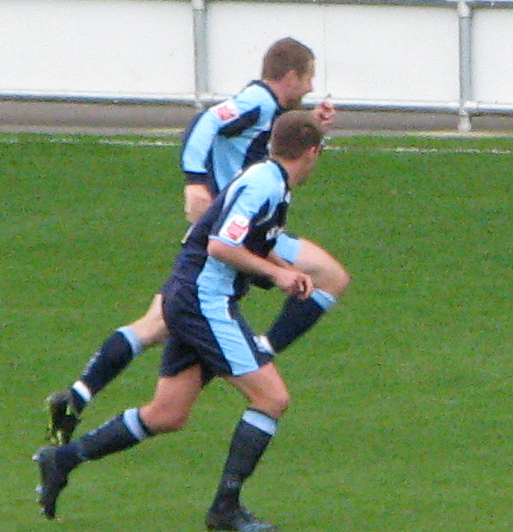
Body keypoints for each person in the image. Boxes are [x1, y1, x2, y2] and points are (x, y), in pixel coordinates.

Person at [33, 106, 334, 532]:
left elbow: (244, 242)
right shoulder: (264, 185)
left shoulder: (270, 180)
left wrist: (285, 273)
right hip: (202, 301)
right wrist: (277, 272)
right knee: (271, 398)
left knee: (167, 413)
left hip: (192, 298)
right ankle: (225, 508)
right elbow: (220, 247)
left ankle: (63, 458)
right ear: (311, 152)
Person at [46, 38, 340, 429]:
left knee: (156, 325)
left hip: (224, 231)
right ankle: (260, 352)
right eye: (307, 80)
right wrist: (195, 182)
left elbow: (278, 145)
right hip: (235, 232)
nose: (308, 89)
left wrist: (312, 128)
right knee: (331, 276)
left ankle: (77, 395)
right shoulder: (257, 102)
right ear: (289, 77)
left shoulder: (267, 109)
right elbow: (207, 123)